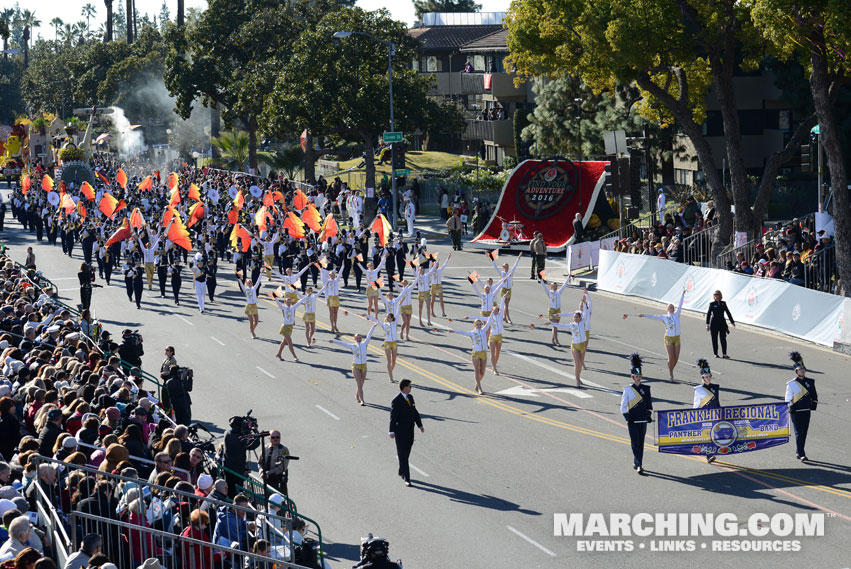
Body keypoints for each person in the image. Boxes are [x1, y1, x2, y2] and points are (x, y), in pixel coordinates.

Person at [631, 289, 686, 380]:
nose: (672, 309)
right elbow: (653, 316)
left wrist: (682, 295)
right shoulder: (664, 317)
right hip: (668, 338)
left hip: (677, 338)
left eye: (673, 307)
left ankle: (671, 368)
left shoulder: (677, 314)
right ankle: (671, 373)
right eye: (670, 307)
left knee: (676, 357)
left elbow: (680, 305)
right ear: (667, 309)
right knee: (671, 356)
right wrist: (644, 315)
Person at [329, 324, 379, 405]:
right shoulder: (352, 346)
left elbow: (369, 335)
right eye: (357, 338)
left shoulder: (365, 344)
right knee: (359, 383)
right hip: (356, 366)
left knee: (362, 383)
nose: (359, 339)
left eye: (360, 338)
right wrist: (334, 341)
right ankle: (362, 400)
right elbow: (343, 344)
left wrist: (373, 326)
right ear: (355, 339)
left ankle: (357, 395)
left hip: (364, 366)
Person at [621, 353, 652, 474]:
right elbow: (623, 406)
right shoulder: (628, 389)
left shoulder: (646, 389)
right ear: (632, 377)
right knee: (635, 443)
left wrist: (648, 415)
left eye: (640, 376)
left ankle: (637, 461)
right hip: (633, 420)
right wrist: (627, 417)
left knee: (641, 442)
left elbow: (649, 404)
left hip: (642, 420)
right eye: (636, 376)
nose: (639, 378)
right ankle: (639, 464)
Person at [388, 379, 423, 487]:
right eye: (410, 386)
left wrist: (420, 425)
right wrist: (391, 431)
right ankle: (407, 478)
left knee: (407, 451)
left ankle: (401, 469)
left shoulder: (410, 398)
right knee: (402, 454)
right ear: (404, 387)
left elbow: (414, 412)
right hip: (400, 431)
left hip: (410, 430)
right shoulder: (397, 400)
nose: (411, 388)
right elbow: (393, 417)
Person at [785, 352, 817, 462]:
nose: (802, 371)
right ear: (796, 371)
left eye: (803, 369)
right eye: (800, 369)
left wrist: (814, 404)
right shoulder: (792, 384)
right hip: (796, 411)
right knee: (798, 433)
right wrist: (791, 406)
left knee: (804, 432)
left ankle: (799, 451)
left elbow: (814, 394)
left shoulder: (810, 382)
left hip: (806, 410)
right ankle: (802, 454)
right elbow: (788, 398)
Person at [449, 316, 493, 394]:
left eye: (480, 324)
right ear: (474, 325)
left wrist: (493, 311)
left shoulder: (484, 330)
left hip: (484, 353)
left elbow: (489, 321)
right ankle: (480, 388)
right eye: (478, 324)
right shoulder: (472, 333)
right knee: (477, 371)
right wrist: (453, 331)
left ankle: (477, 383)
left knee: (482, 372)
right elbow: (463, 332)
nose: (479, 325)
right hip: (476, 354)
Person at [546, 311, 587, 387]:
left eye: (576, 317)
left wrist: (584, 301)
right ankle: (577, 379)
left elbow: (587, 310)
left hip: (582, 345)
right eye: (574, 317)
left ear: (580, 318)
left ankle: (578, 377)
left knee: (581, 364)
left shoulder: (582, 322)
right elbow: (561, 325)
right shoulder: (571, 325)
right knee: (577, 363)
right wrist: (551, 323)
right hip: (575, 345)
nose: (574, 318)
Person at [366, 301, 402, 383]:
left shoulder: (394, 323)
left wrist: (399, 304)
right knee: (389, 361)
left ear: (392, 318)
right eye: (387, 317)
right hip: (387, 343)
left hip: (394, 343)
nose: (387, 318)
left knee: (394, 361)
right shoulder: (384, 324)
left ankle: (390, 372)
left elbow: (397, 313)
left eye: (389, 317)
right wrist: (367, 315)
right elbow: (376, 321)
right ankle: (391, 377)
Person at [693, 358, 720, 463]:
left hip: (714, 415)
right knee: (707, 435)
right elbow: (696, 405)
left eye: (709, 376)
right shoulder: (699, 389)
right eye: (706, 377)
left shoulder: (715, 388)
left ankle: (711, 453)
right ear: (703, 378)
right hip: (704, 416)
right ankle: (709, 455)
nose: (708, 378)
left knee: (714, 435)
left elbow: (717, 402)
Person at [274, 295, 308, 362]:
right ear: (285, 302)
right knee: (290, 343)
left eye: (290, 302)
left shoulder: (293, 307)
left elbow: (300, 302)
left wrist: (307, 296)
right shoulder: (284, 308)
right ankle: (294, 357)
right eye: (287, 302)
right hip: (285, 328)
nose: (289, 303)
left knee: (284, 342)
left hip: (290, 327)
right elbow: (278, 304)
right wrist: (275, 297)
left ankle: (279, 353)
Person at [490, 252, 522, 323]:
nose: (507, 268)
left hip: (509, 290)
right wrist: (492, 259)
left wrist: (518, 257)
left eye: (507, 266)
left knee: (506, 305)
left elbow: (515, 265)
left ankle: (504, 317)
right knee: (506, 305)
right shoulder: (502, 273)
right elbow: (495, 267)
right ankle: (508, 318)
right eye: (505, 267)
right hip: (504, 290)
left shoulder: (511, 272)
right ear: (503, 267)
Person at [538, 278, 570, 346]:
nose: (555, 287)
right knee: (555, 326)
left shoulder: (559, 292)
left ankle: (553, 339)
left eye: (556, 286)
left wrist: (568, 278)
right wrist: (541, 280)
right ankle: (557, 340)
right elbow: (544, 286)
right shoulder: (549, 292)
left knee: (555, 326)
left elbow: (564, 285)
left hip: (558, 311)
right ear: (551, 287)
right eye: (553, 286)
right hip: (551, 311)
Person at [705, 290, 735, 358]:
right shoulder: (712, 304)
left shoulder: (723, 303)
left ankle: (724, 354)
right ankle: (715, 353)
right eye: (714, 295)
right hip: (714, 323)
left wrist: (732, 322)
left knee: (723, 338)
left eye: (717, 294)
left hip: (722, 323)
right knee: (714, 339)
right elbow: (709, 314)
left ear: (720, 295)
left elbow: (728, 312)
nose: (716, 296)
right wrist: (707, 324)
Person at [261, 430, 291, 497]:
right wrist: (262, 472)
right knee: (268, 498)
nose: (275, 439)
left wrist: (269, 472)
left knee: (280, 499)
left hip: (278, 478)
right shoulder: (265, 448)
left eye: (277, 437)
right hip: (267, 478)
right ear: (269, 438)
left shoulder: (284, 450)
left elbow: (284, 466)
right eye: (273, 437)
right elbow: (260, 462)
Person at [236, 270, 263, 339]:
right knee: (251, 321)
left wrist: (261, 273)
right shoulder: (246, 290)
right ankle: (253, 333)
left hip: (254, 305)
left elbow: (258, 281)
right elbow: (242, 285)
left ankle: (252, 330)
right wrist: (239, 278)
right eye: (249, 283)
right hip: (249, 306)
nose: (250, 283)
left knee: (256, 321)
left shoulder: (254, 288)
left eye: (251, 282)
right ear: (247, 284)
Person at [428, 253, 451, 318]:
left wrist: (448, 258)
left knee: (441, 299)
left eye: (437, 264)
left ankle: (443, 312)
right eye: (436, 264)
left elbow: (444, 265)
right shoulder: (432, 271)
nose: (437, 265)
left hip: (439, 285)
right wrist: (430, 260)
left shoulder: (439, 270)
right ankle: (432, 312)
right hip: (434, 285)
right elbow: (430, 266)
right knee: (433, 299)